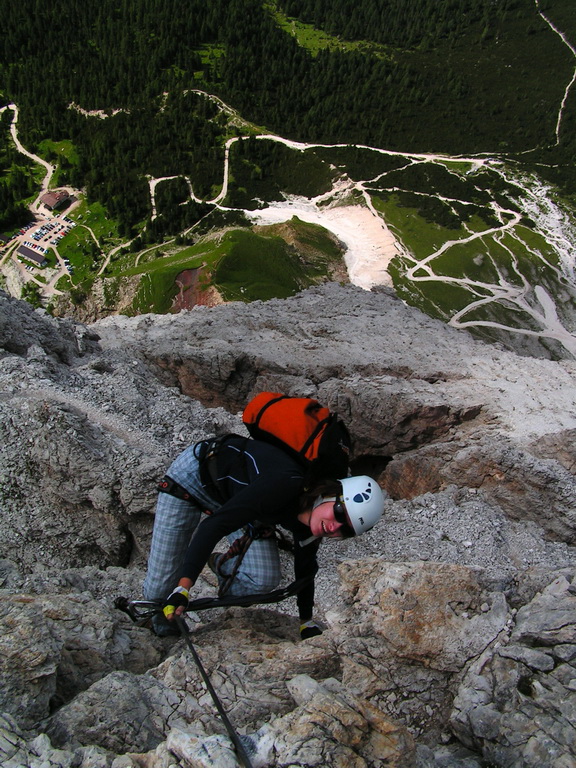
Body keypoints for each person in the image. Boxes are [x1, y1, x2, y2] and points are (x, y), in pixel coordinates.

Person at [143, 433, 386, 637]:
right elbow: (213, 527)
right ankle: (161, 628)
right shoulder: (283, 485)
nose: (335, 527)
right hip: (194, 479)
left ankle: (221, 566)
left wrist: (306, 622)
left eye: (346, 530)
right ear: (330, 493)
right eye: (340, 513)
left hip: (238, 500)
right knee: (158, 594)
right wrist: (183, 588)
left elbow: (305, 570)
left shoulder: (313, 523)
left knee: (263, 579)